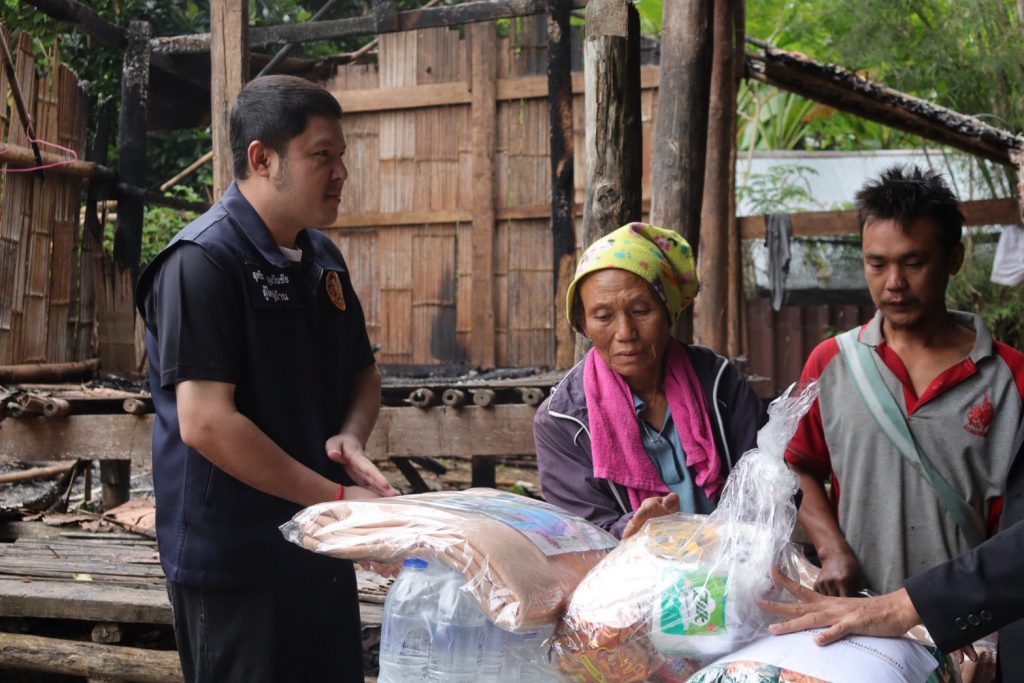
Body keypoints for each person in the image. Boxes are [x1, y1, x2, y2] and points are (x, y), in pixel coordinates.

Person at [136, 75, 399, 683]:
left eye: (341, 156)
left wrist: (351, 436)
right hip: (236, 563)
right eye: (322, 156)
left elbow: (363, 372)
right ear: (262, 158)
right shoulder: (201, 263)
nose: (340, 173)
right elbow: (206, 423)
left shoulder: (323, 259)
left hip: (318, 545)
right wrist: (336, 500)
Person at [785, 164, 1024, 601]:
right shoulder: (831, 363)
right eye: (876, 264)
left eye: (914, 263)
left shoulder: (1011, 378)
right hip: (860, 613)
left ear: (954, 259)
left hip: (969, 622)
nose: (893, 283)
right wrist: (831, 549)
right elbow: (798, 465)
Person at [533, 222, 764, 539]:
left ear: (668, 311)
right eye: (603, 317)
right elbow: (582, 532)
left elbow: (765, 486)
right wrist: (632, 530)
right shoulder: (561, 421)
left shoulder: (719, 383)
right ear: (583, 324)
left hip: (735, 560)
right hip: (632, 570)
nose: (625, 333)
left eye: (641, 311)